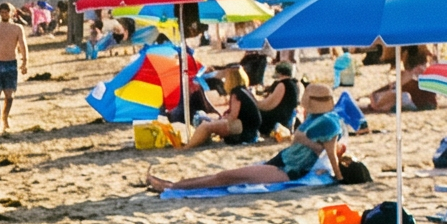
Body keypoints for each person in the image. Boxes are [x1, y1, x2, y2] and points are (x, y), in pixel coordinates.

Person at [145, 81, 348, 192]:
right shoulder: (314, 117)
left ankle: (172, 186)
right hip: (283, 159)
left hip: (290, 170)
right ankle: (174, 185)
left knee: (227, 177)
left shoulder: (329, 123)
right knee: (227, 175)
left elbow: (331, 154)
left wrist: (338, 178)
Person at [0, 3, 28, 134]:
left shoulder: (17, 28)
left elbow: (23, 46)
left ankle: (5, 117)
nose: (4, 14)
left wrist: (25, 62)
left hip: (11, 64)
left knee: (10, 95)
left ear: (12, 13)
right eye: (2, 12)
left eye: (6, 12)